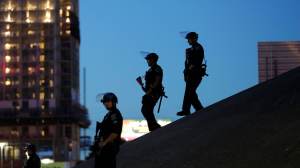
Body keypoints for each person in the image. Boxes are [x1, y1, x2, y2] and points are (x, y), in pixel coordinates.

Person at [177, 32, 205, 116]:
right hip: (190, 74)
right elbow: (187, 63)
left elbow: (196, 61)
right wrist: (186, 72)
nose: (188, 41)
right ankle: (195, 109)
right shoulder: (191, 49)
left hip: (196, 73)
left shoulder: (198, 48)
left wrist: (189, 69)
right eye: (188, 39)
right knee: (190, 92)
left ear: (194, 39)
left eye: (189, 39)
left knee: (189, 92)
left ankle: (189, 109)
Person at [94, 92, 123, 168]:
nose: (105, 104)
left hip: (109, 147)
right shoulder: (108, 114)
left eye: (108, 101)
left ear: (113, 102)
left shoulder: (114, 114)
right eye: (104, 102)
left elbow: (115, 133)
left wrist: (104, 143)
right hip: (104, 148)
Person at [138, 53, 164, 131]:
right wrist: (142, 86)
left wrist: (150, 91)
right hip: (149, 93)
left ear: (153, 60)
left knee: (146, 109)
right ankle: (153, 127)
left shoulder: (157, 68)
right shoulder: (150, 70)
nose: (147, 61)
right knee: (146, 110)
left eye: (148, 60)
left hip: (154, 93)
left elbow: (157, 81)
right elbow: (148, 84)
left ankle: (155, 127)